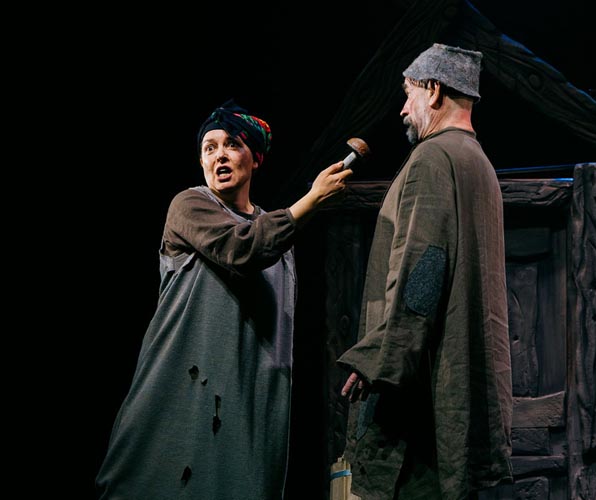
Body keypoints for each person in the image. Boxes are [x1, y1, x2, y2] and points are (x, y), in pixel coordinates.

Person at [95, 99, 353, 499]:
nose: (219, 155)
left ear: (255, 158)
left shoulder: (278, 238)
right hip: (184, 386)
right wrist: (311, 200)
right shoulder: (190, 206)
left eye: (232, 144)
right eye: (209, 148)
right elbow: (242, 249)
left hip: (246, 394)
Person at [337, 43, 513, 499]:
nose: (402, 109)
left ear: (433, 90)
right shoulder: (479, 163)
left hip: (422, 393)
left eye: (408, 93)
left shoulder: (432, 159)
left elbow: (423, 271)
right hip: (459, 383)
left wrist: (377, 358)